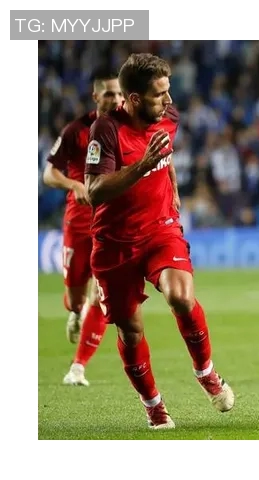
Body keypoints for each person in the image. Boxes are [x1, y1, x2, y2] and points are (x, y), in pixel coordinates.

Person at [84, 53, 234, 430]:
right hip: (114, 243)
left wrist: (173, 187)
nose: (168, 100)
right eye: (159, 94)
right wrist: (142, 166)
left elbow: (165, 154)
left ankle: (206, 373)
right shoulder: (106, 130)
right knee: (130, 330)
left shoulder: (168, 115)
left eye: (168, 91)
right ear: (134, 99)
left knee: (181, 296)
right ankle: (153, 404)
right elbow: (95, 190)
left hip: (159, 228)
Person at [43, 69, 124, 386]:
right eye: (109, 94)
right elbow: (49, 174)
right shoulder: (76, 130)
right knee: (75, 297)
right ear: (95, 96)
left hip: (112, 222)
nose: (116, 99)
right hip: (78, 222)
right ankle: (75, 311)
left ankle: (78, 367)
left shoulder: (128, 127)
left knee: (102, 293)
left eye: (120, 94)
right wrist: (74, 184)